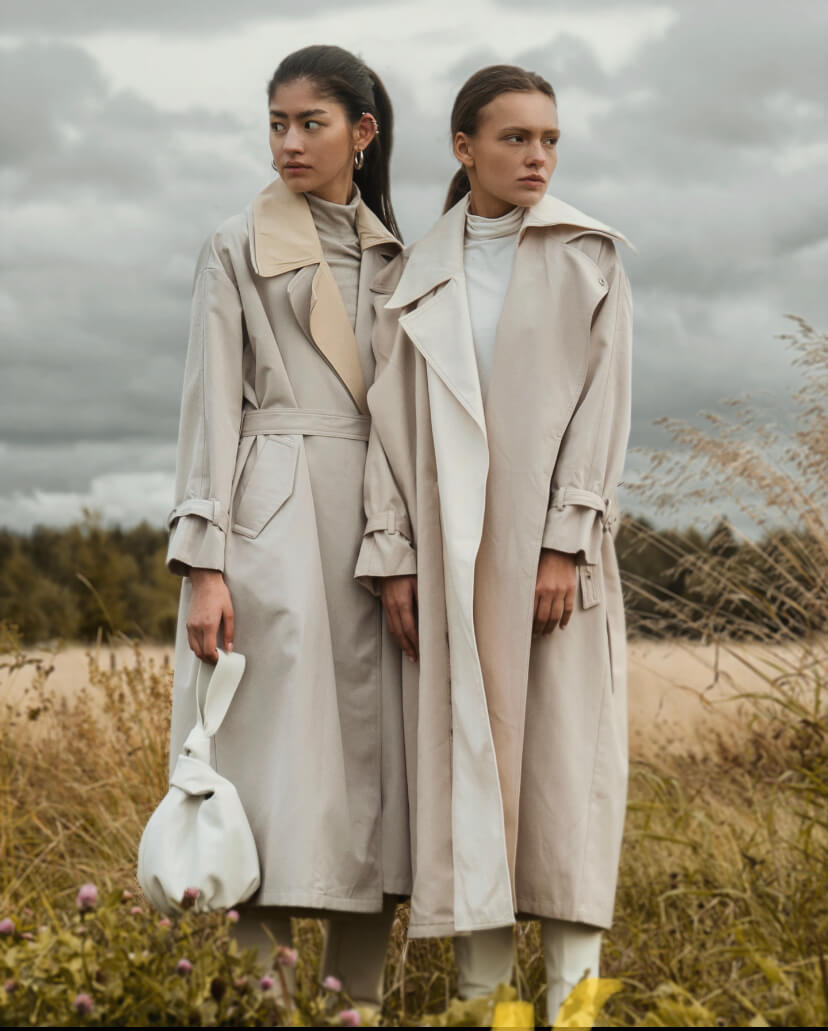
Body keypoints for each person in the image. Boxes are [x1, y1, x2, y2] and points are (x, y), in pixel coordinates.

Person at [356, 64, 633, 1023]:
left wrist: (564, 542)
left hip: (554, 564)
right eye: (516, 138)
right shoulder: (411, 275)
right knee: (472, 778)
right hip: (448, 563)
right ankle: (485, 1008)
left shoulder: (590, 257)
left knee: (564, 786)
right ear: (464, 148)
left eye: (550, 139)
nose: (538, 156)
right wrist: (393, 555)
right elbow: (385, 426)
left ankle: (574, 1010)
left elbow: (604, 408)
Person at [164, 44, 409, 1013]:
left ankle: (358, 1008)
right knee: (256, 782)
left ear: (363, 131)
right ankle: (261, 1008)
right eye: (277, 123)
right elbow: (208, 406)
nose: (289, 142)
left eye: (311, 122)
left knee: (375, 790)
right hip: (265, 532)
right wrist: (205, 562)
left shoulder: (402, 259)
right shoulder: (235, 243)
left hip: (382, 539)